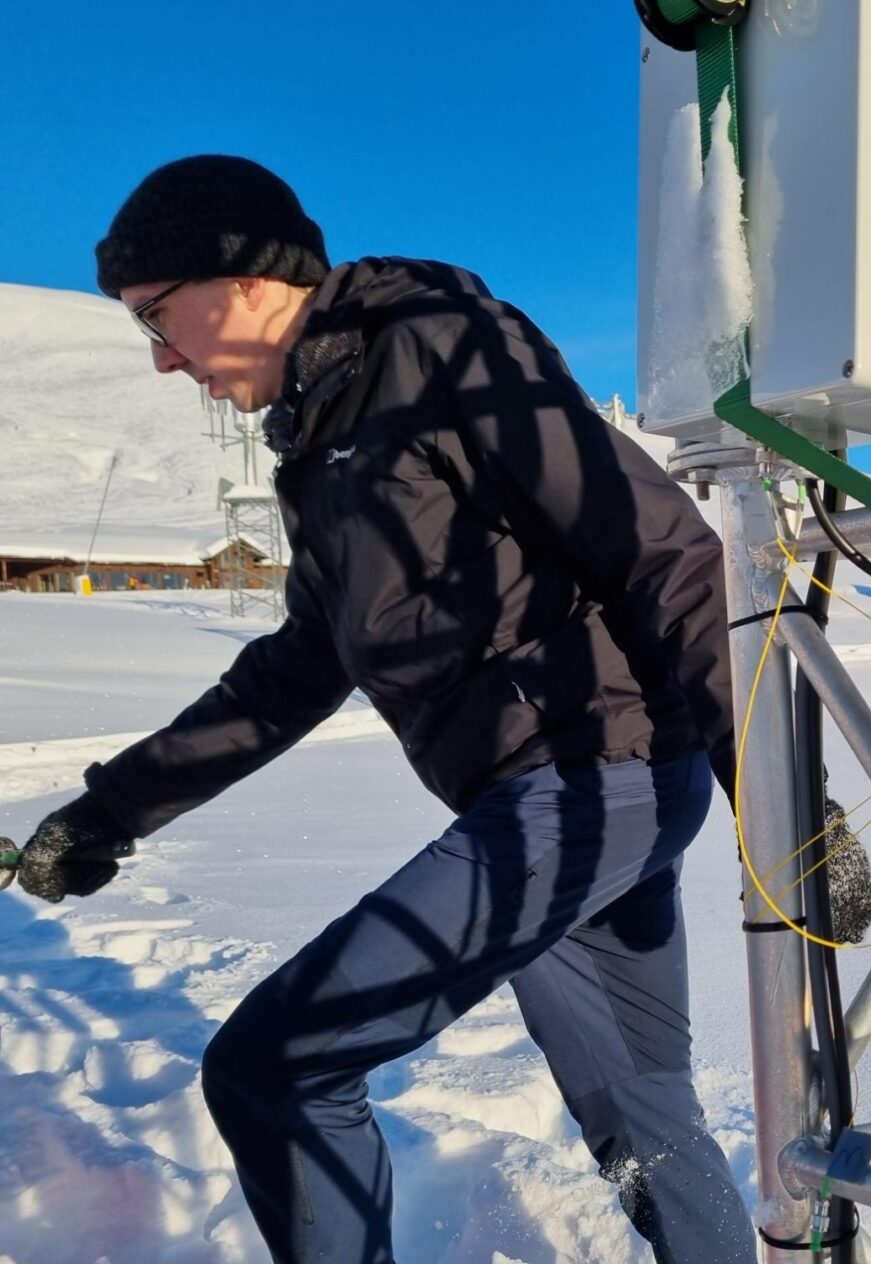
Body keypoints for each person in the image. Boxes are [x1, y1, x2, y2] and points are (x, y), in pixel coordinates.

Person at [8, 154, 755, 1264]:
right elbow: (300, 665)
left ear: (247, 275)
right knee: (642, 1113)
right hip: (563, 791)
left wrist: (782, 807)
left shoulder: (440, 344)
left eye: (159, 317)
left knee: (277, 1068)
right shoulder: (319, 442)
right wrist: (111, 811)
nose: (163, 359)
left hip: (592, 776)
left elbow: (665, 551)